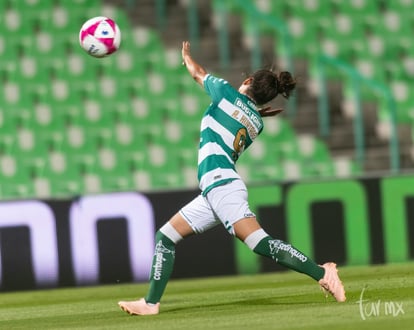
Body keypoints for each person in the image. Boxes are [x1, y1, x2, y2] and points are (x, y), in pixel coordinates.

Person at [118, 41, 346, 316]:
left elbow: (198, 73)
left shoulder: (226, 95)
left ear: (248, 80)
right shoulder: (257, 122)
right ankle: (150, 303)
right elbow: (243, 113)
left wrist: (186, 56)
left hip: (222, 186)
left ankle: (322, 272)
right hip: (214, 190)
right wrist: (256, 110)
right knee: (165, 236)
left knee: (260, 243)